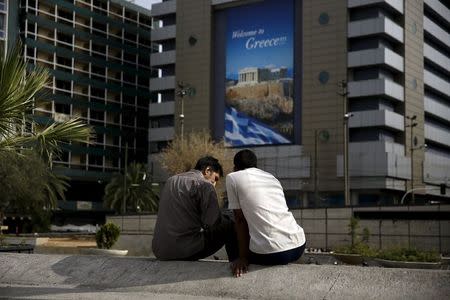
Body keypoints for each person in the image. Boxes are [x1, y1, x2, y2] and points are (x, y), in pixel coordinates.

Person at [226, 149, 306, 277]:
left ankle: (237, 267)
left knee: (229, 224)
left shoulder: (233, 177)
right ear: (256, 166)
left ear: (235, 167)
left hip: (272, 254)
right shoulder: (271, 177)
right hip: (299, 245)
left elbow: (240, 220)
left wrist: (242, 257)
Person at [152, 156, 238, 262]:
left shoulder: (171, 181)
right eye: (215, 179)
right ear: (208, 170)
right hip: (185, 250)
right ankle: (236, 263)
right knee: (232, 224)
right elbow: (212, 223)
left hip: (160, 251)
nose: (214, 184)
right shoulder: (205, 186)